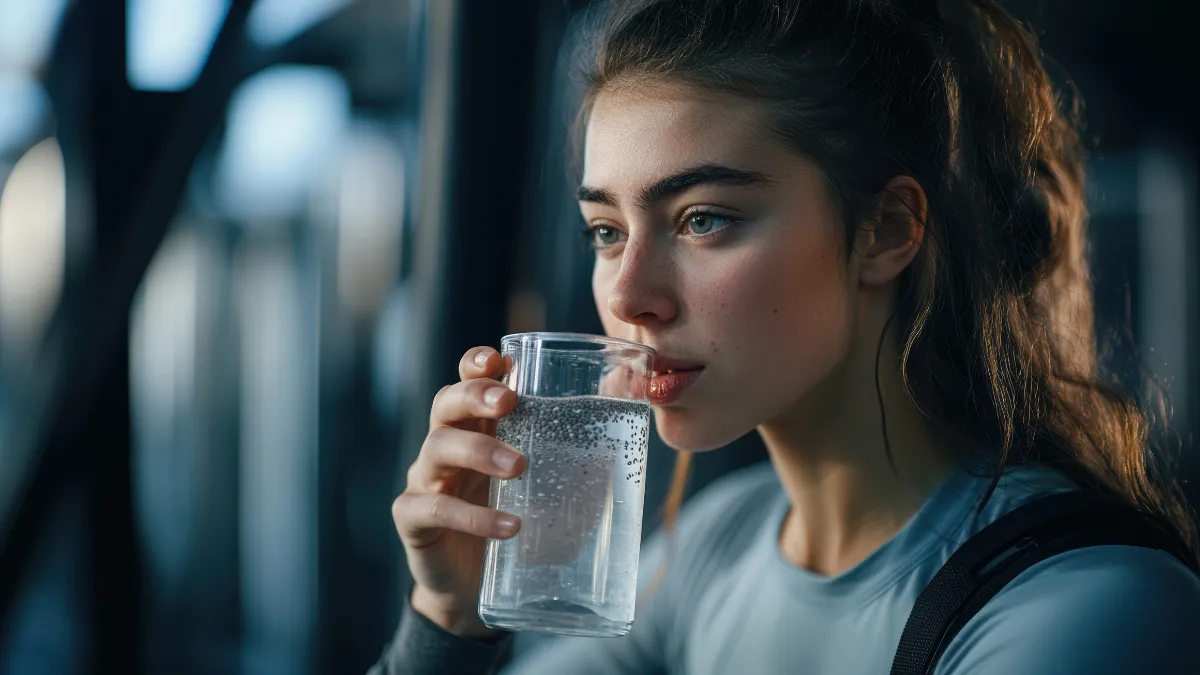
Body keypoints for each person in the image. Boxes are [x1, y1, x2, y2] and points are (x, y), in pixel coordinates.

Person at [372, 0, 1200, 673]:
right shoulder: (709, 552)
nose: (628, 296)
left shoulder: (1086, 608)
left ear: (886, 231)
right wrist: (449, 616)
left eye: (703, 220)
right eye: (605, 231)